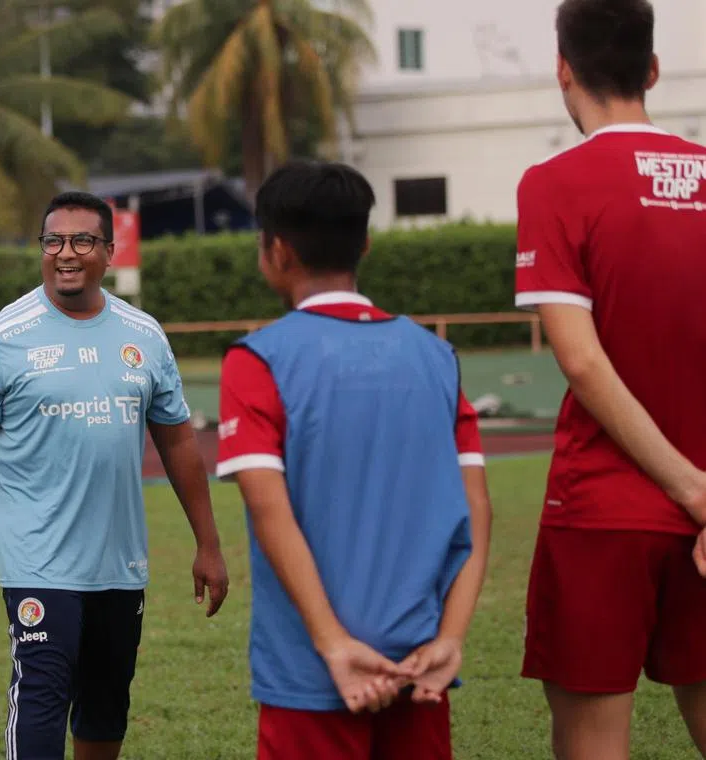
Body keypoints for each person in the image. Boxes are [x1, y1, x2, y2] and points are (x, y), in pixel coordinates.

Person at [216, 161, 493, 760]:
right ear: (364, 243)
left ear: (276, 250)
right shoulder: (437, 357)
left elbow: (270, 512)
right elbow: (475, 510)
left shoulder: (257, 361)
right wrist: (451, 637)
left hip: (310, 675)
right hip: (421, 669)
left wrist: (334, 643)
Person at [0, 190, 230, 760]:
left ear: (109, 250)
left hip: (119, 562)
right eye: (53, 240)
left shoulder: (144, 336)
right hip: (38, 560)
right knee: (43, 693)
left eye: (81, 240)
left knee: (105, 708)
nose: (65, 253)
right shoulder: (1, 338)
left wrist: (209, 543)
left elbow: (176, 439)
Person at [515, 0, 706, 757]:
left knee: (593, 737)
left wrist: (690, 486)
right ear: (653, 70)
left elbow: (581, 358)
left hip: (606, 505)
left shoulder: (554, 181)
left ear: (564, 69)